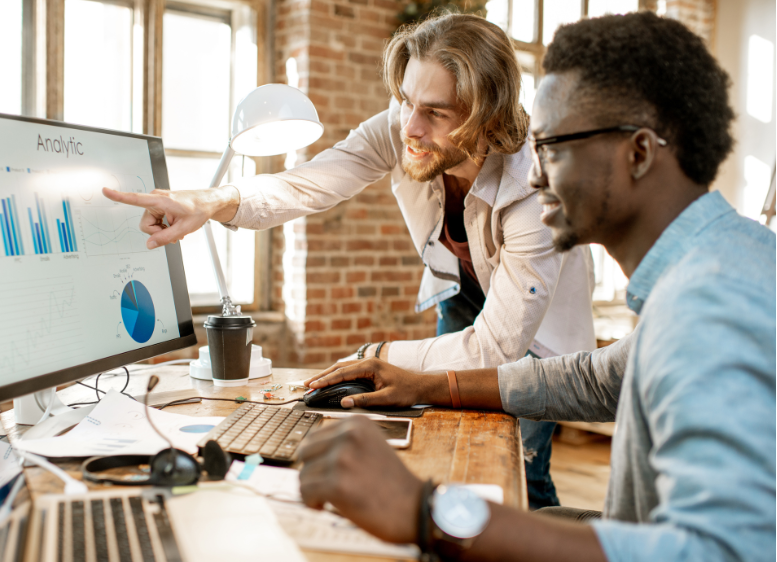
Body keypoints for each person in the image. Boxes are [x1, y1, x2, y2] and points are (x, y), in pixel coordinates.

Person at [295, 11, 776, 562]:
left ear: (639, 153)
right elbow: (600, 379)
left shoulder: (713, 304)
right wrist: (425, 384)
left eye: (550, 146)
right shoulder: (717, 263)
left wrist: (426, 509)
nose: (533, 176)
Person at [103, 13, 596, 509]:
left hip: (535, 330)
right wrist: (211, 202)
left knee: (518, 458)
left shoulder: (535, 186)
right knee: (451, 431)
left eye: (436, 113)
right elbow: (310, 182)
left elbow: (496, 349)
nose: (410, 127)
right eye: (406, 101)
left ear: (485, 114)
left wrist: (376, 355)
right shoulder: (402, 125)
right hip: (463, 292)